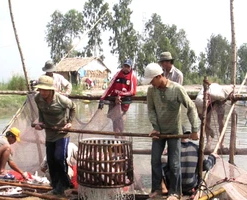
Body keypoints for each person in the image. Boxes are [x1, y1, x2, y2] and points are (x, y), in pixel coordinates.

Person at [145, 63, 199, 200]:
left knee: (174, 163)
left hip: (174, 131)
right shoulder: (151, 91)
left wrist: (194, 129)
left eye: (152, 80)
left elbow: (191, 107)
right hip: (159, 132)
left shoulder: (176, 89)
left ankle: (174, 192)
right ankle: (157, 188)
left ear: (159, 76)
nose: (151, 83)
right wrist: (155, 127)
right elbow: (151, 110)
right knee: (155, 160)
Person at [34, 75, 76, 195]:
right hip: (49, 133)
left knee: (59, 158)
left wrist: (69, 123)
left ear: (50, 89)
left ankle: (62, 186)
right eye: (40, 89)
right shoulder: (38, 98)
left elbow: (73, 107)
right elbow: (40, 111)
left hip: (62, 133)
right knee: (51, 161)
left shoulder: (61, 99)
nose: (42, 92)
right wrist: (41, 122)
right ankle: (58, 184)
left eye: (44, 90)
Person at [98, 59, 137, 133]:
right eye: (125, 66)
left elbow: (132, 92)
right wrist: (102, 98)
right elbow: (110, 87)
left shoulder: (132, 76)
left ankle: (123, 140)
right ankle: (116, 140)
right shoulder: (117, 74)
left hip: (123, 103)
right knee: (114, 121)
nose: (126, 68)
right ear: (122, 66)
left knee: (120, 121)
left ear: (130, 67)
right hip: (113, 101)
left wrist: (120, 94)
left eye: (128, 67)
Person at [194, 80, 233, 151]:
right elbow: (201, 117)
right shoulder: (198, 101)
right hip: (207, 101)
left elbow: (231, 87)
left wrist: (230, 95)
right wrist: (209, 128)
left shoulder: (218, 94)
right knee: (207, 119)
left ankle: (222, 143)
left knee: (221, 121)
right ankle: (208, 142)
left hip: (219, 100)